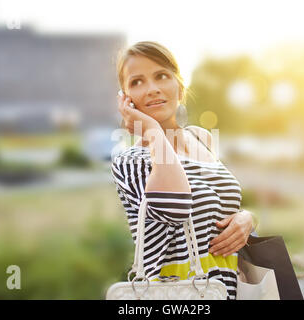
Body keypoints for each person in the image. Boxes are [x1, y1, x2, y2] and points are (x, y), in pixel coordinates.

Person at [111, 41, 259, 300]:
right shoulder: (130, 161)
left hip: (229, 290)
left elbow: (223, 206)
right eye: (137, 82)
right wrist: (153, 132)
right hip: (180, 296)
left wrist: (248, 219)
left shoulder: (202, 138)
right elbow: (176, 208)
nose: (152, 89)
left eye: (161, 76)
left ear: (179, 86)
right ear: (125, 99)